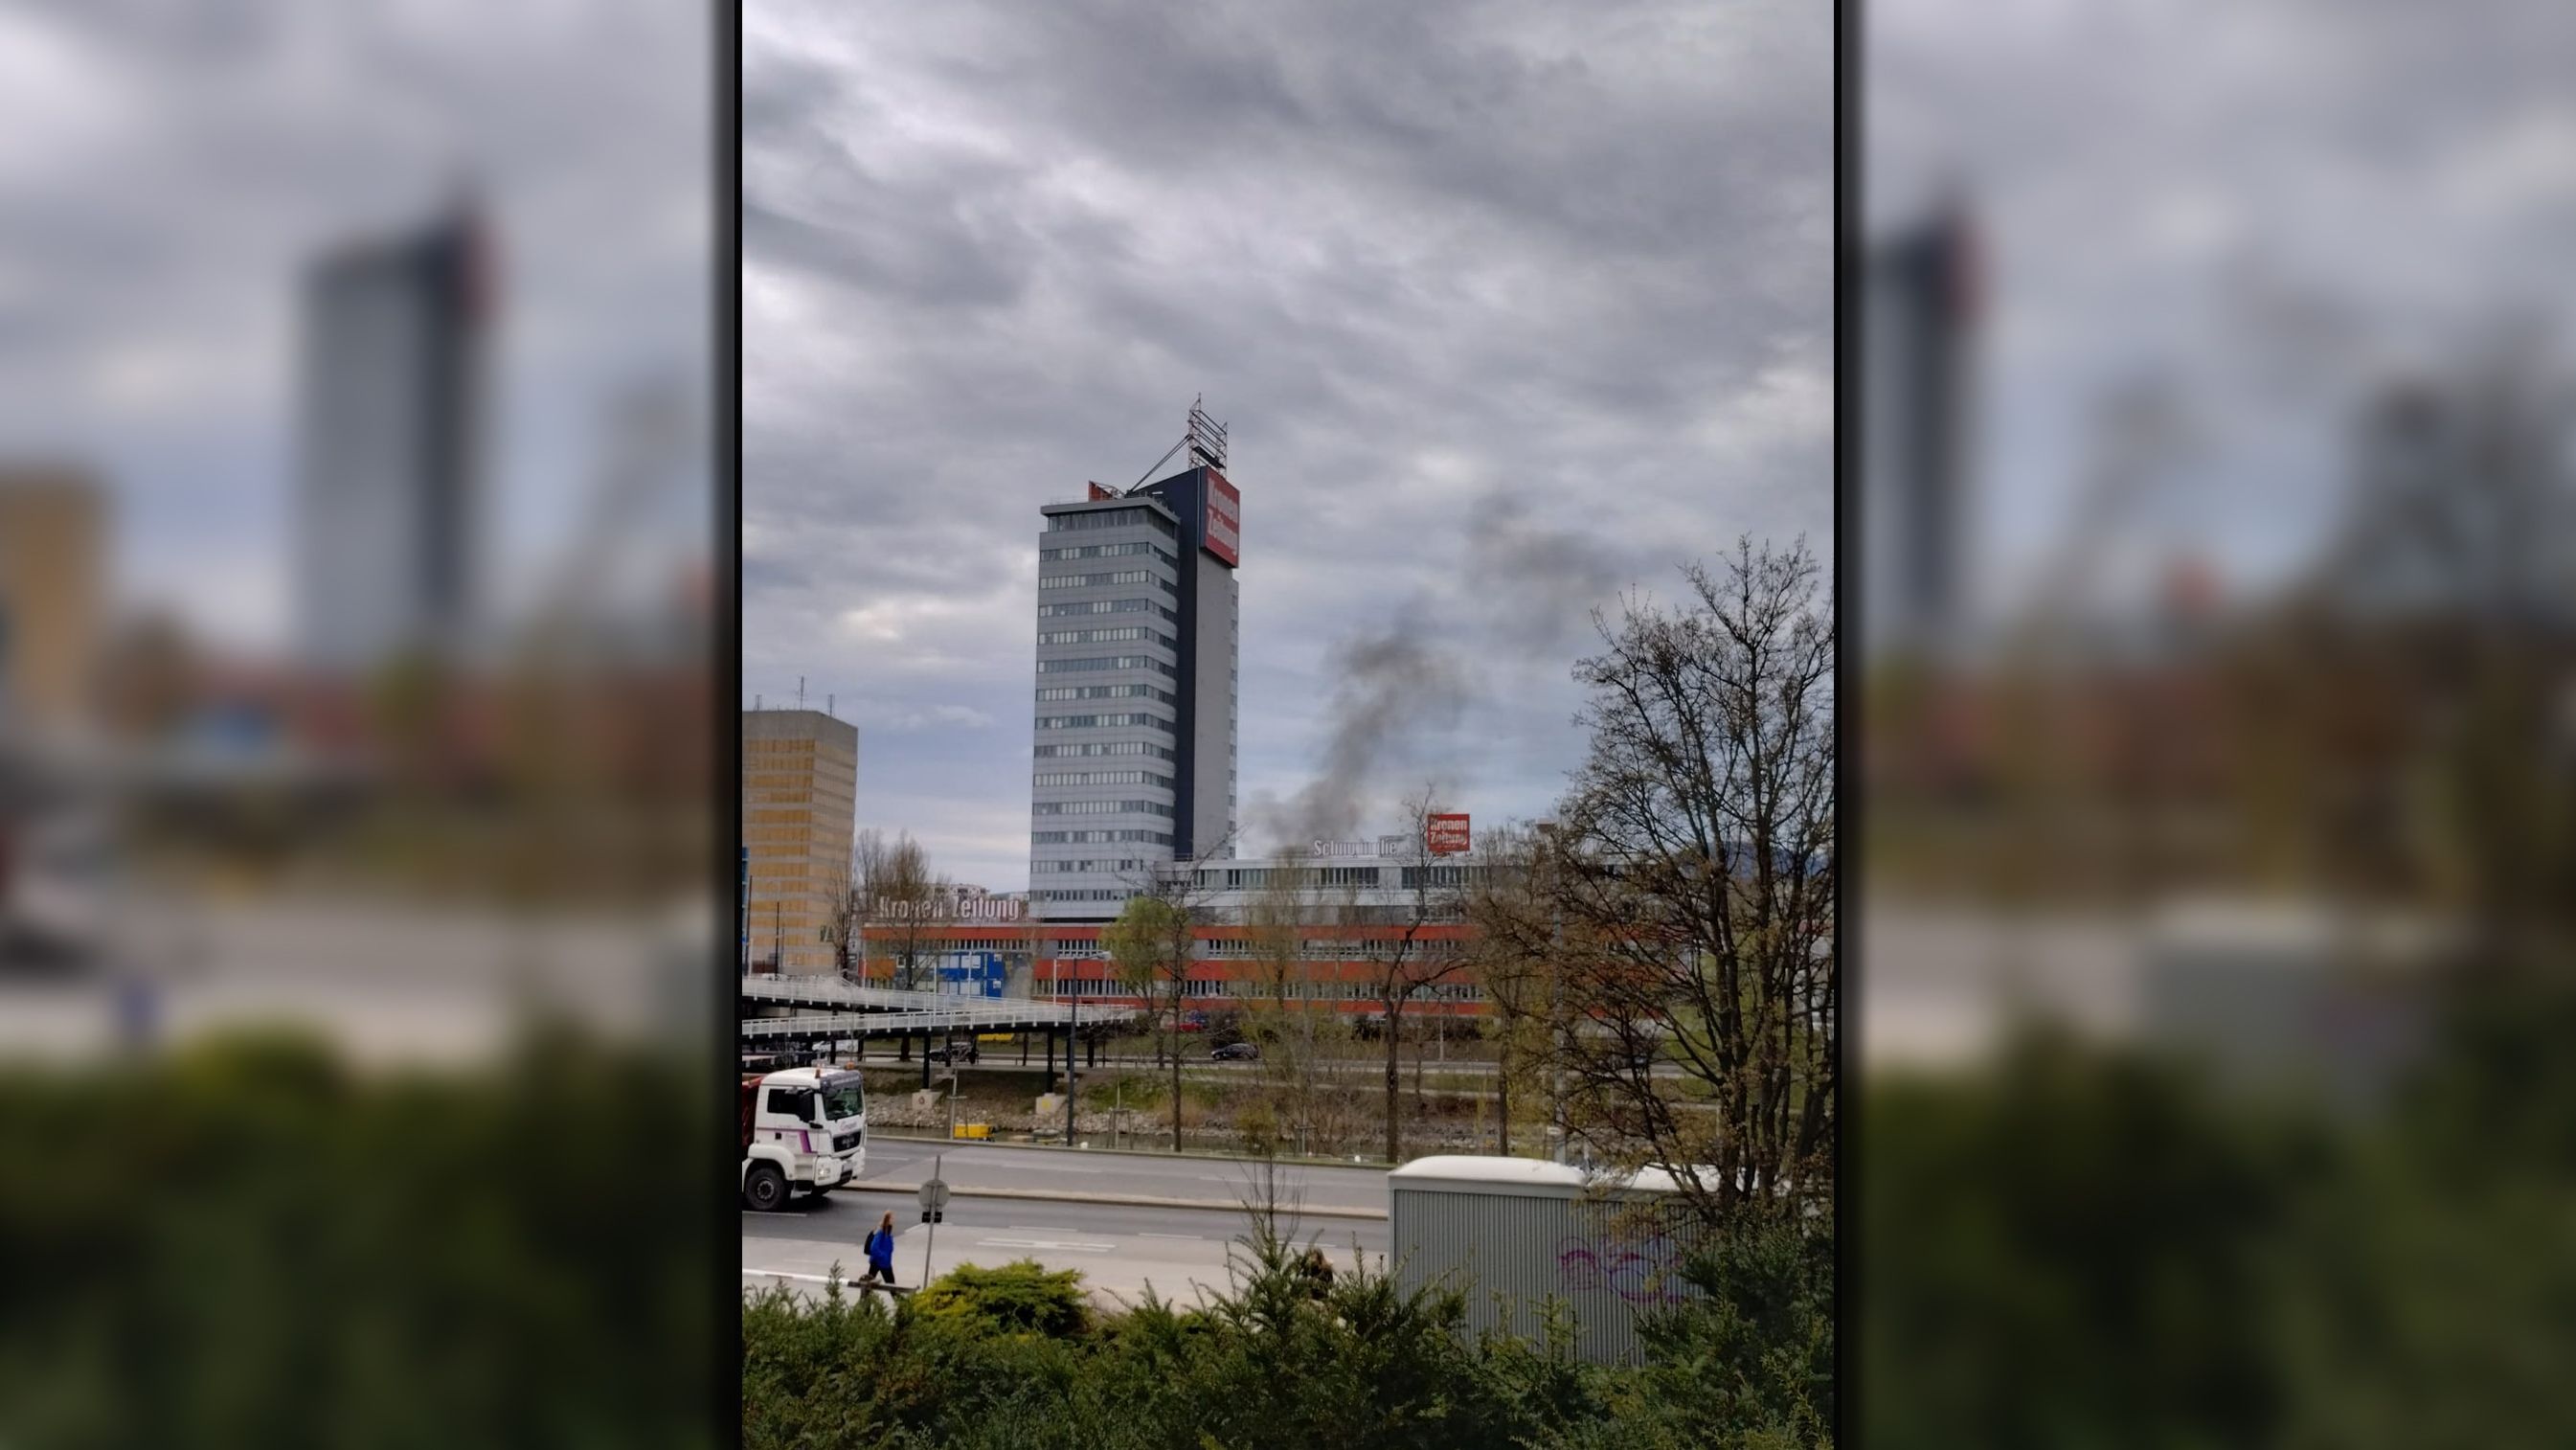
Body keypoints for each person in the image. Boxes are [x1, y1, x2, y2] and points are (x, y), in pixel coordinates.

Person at [862, 1211, 898, 1290]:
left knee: (869, 1287)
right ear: (889, 1220)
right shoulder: (881, 1232)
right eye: (892, 1218)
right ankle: (902, 1302)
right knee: (892, 1287)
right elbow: (874, 1248)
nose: (894, 1220)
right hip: (882, 1263)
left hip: (880, 1262)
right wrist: (883, 1256)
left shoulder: (887, 1231)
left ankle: (863, 1301)